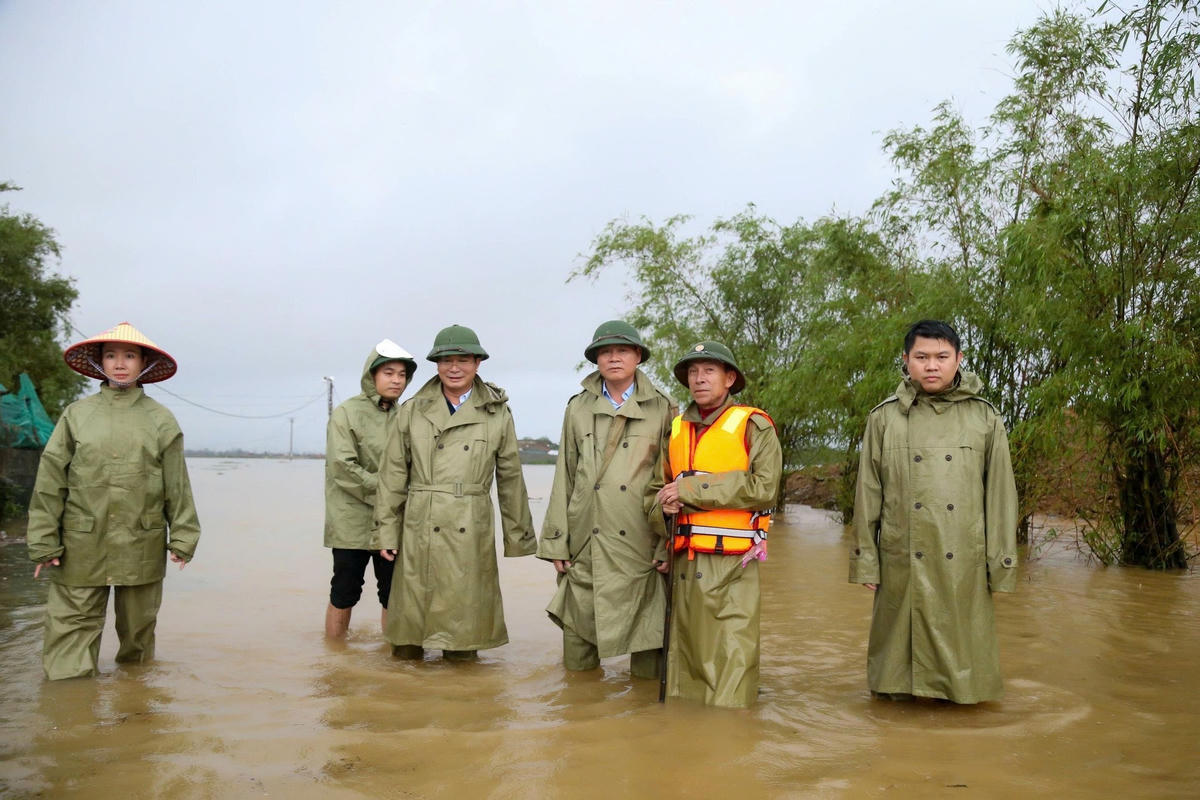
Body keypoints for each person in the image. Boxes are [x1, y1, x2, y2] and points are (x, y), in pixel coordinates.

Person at [849, 319, 1018, 704]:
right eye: (921, 357)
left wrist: (1000, 564)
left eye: (942, 357)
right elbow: (867, 495)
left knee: (961, 672)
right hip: (902, 553)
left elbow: (1001, 497)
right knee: (896, 677)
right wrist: (865, 560)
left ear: (959, 359)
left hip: (963, 556)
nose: (931, 366)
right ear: (906, 360)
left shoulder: (985, 418)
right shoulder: (884, 418)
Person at [26, 321, 201, 680]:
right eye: (111, 355)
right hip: (81, 541)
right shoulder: (76, 415)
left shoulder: (161, 420)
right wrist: (45, 541)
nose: (119, 363)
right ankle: (69, 718)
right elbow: (50, 481)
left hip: (141, 539)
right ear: (100, 363)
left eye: (129, 355)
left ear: (144, 364)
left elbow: (177, 485)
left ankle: (134, 711)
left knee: (138, 635)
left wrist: (183, 536)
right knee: (69, 631)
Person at [375, 324, 535, 661]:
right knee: (407, 647)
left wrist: (518, 537)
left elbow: (510, 477)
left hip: (470, 524)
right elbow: (392, 477)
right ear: (436, 364)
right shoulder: (412, 409)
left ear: (478, 363)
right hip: (420, 524)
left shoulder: (496, 411)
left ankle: (463, 703)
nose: (454, 367)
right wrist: (387, 532)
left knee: (464, 639)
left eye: (463, 359)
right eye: (446, 360)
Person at [538, 321, 676, 679]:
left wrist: (666, 545)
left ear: (638, 356)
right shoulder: (578, 407)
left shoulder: (664, 408)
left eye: (622, 351)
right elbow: (565, 475)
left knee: (649, 644)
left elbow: (669, 481)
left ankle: (643, 724)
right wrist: (557, 541)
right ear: (596, 359)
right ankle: (580, 716)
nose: (614, 358)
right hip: (587, 536)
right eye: (605, 352)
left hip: (640, 539)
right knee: (579, 643)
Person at [647, 341, 782, 708]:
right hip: (682, 566)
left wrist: (690, 489)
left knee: (731, 660)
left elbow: (765, 488)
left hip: (732, 567)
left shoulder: (754, 425)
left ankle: (731, 737)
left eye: (709, 370)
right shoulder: (675, 428)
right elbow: (654, 493)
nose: (699, 379)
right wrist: (665, 508)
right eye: (693, 372)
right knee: (684, 669)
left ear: (729, 378)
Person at [323, 339, 418, 639]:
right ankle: (334, 660)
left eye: (402, 375)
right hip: (351, 520)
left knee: (393, 593)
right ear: (372, 375)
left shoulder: (409, 416)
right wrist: (390, 491)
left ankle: (391, 659)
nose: (396, 380)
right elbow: (343, 468)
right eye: (389, 372)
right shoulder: (346, 413)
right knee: (344, 590)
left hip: (393, 522)